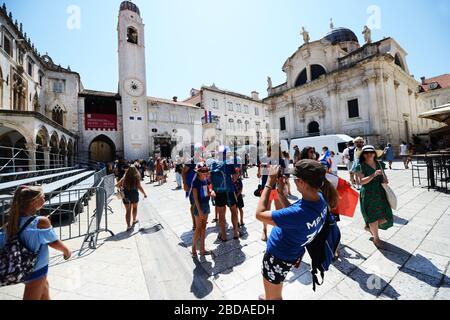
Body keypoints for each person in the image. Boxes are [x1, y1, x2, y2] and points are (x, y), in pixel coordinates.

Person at [256, 160, 339, 300]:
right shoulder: (320, 199)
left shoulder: (301, 213)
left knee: (274, 297)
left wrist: (269, 183)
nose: (292, 180)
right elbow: (294, 215)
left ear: (302, 183)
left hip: (278, 256)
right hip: (291, 253)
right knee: (276, 283)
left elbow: (259, 214)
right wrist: (281, 194)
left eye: (295, 178)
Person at [0, 186, 72, 300]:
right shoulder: (41, 221)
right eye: (43, 197)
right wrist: (66, 251)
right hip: (36, 269)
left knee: (44, 288)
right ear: (34, 201)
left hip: (22, 266)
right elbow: (53, 242)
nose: (45, 200)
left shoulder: (12, 222)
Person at [355, 145, 394, 249]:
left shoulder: (379, 164)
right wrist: (373, 175)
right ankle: (376, 239)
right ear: (363, 155)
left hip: (380, 192)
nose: (369, 154)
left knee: (386, 215)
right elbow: (360, 182)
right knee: (373, 217)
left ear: (375, 154)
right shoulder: (360, 166)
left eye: (371, 152)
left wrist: (385, 180)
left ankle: (370, 227)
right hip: (368, 193)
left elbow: (385, 178)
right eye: (366, 153)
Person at [257, 146, 282, 242]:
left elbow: (284, 175)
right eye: (271, 149)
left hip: (277, 188)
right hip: (266, 188)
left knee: (279, 209)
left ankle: (279, 229)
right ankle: (264, 230)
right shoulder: (264, 159)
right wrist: (262, 169)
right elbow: (259, 175)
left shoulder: (280, 160)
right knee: (266, 210)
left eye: (275, 149)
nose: (273, 151)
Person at [116, 165, 148, 231]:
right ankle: (134, 220)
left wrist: (122, 187)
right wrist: (144, 194)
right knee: (135, 208)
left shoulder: (125, 177)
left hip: (126, 195)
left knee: (128, 210)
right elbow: (139, 187)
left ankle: (128, 226)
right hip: (134, 194)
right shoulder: (136, 177)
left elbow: (117, 185)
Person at [190, 164, 212, 257]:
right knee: (198, 228)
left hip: (206, 205)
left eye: (206, 171)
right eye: (203, 171)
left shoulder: (206, 180)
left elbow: (207, 192)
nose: (205, 173)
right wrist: (199, 210)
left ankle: (202, 249)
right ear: (198, 172)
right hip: (199, 207)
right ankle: (193, 247)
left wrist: (211, 193)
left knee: (203, 228)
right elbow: (195, 198)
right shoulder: (195, 182)